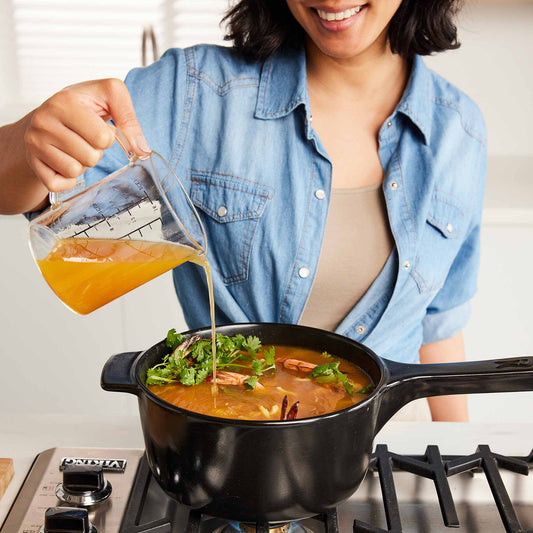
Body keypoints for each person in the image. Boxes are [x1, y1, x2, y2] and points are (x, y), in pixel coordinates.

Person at [0, 0, 486, 421]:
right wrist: (29, 141)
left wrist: (460, 455)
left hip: (382, 458)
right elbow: (38, 199)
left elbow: (439, 330)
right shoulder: (193, 91)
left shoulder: (459, 131)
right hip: (228, 445)